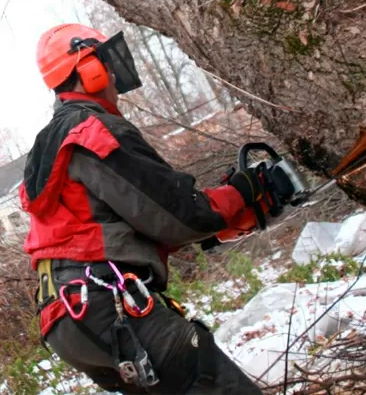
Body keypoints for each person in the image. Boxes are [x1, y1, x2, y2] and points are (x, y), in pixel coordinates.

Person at [20, 24, 276, 395]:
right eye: (104, 63)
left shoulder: (48, 145)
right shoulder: (94, 131)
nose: (111, 73)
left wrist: (224, 225)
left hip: (65, 318)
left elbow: (117, 229)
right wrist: (241, 192)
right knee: (214, 381)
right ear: (88, 70)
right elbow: (176, 214)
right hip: (104, 303)